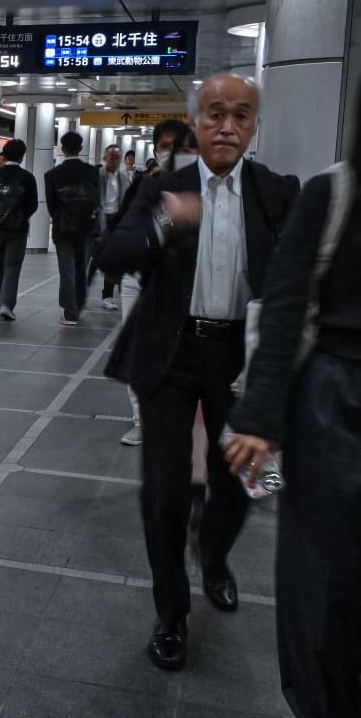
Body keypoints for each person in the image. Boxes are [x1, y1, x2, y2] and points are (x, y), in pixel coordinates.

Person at [98, 73, 299, 672]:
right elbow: (109, 253)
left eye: (241, 115)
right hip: (173, 355)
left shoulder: (277, 192)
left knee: (248, 483)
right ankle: (172, 614)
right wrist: (165, 223)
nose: (227, 126)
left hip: (243, 357)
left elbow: (293, 284)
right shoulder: (163, 188)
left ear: (254, 125)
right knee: (162, 492)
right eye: (215, 114)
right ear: (197, 122)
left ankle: (213, 556)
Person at [223, 158, 361, 718]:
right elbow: (283, 305)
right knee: (321, 579)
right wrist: (259, 420)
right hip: (334, 403)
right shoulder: (336, 191)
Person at [116, 120, 194, 447]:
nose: (171, 152)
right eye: (164, 146)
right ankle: (141, 420)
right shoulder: (142, 186)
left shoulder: (202, 188)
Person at [0, 137, 38, 321]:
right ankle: (7, 304)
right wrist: (20, 218)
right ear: (21, 156)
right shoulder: (28, 178)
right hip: (18, 230)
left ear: (4, 153)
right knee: (12, 266)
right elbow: (33, 205)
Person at [45, 131, 100, 326]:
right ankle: (79, 303)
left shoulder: (52, 175)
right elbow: (97, 200)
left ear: (62, 149)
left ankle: (70, 312)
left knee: (66, 269)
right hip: (86, 229)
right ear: (81, 148)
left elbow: (51, 205)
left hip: (63, 228)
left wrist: (60, 218)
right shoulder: (93, 172)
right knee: (80, 267)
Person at [95, 146, 132, 310]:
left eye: (117, 158)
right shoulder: (97, 176)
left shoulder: (124, 178)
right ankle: (107, 296)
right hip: (102, 222)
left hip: (119, 222)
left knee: (121, 259)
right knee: (108, 259)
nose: (114, 161)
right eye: (111, 158)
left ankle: (122, 294)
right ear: (105, 158)